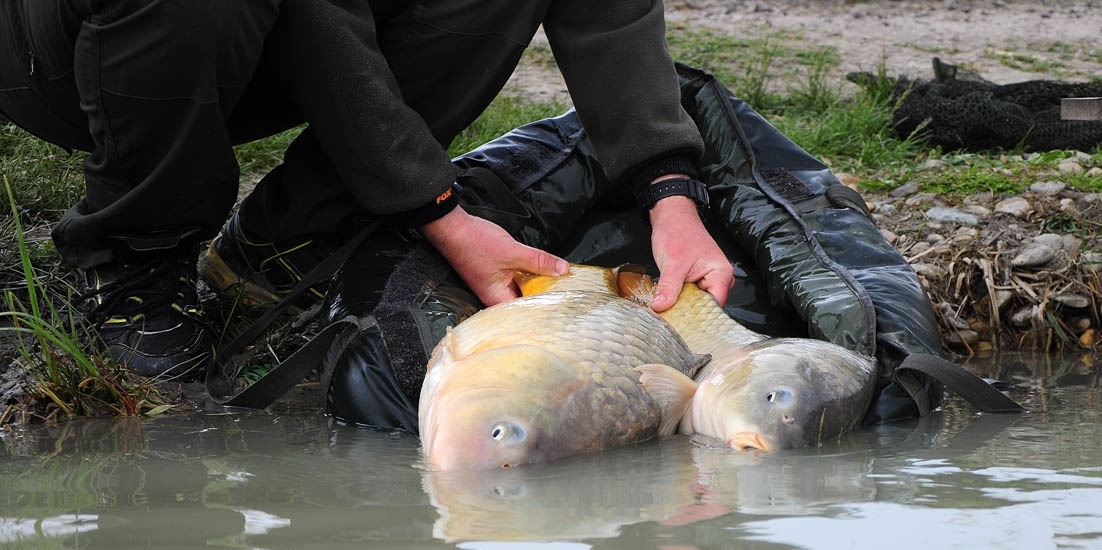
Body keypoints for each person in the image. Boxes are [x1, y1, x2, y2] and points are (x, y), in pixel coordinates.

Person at [0, 1, 733, 379]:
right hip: (68, 43)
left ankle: (283, 240)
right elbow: (324, 19)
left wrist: (668, 190)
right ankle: (134, 262)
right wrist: (439, 213)